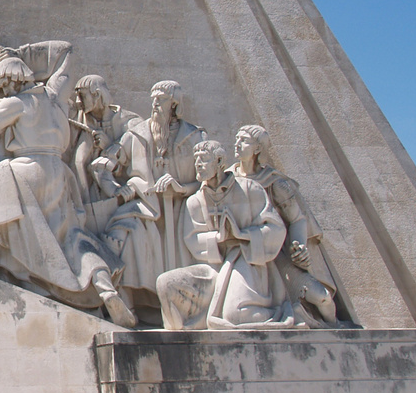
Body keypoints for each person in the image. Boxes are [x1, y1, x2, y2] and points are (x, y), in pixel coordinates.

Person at [0, 50, 138, 327]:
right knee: (72, 237)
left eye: (6, 83)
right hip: (59, 173)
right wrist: (22, 55)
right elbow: (67, 53)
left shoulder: (15, 103)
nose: (6, 89)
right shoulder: (55, 97)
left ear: (13, 80)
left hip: (26, 170)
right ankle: (105, 288)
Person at [92, 80, 207, 317]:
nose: (155, 104)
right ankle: (126, 305)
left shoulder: (195, 137)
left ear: (174, 104)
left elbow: (209, 180)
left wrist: (182, 188)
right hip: (145, 208)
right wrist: (115, 188)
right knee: (125, 233)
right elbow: (103, 166)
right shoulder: (137, 135)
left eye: (161, 99)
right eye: (153, 98)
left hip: (183, 211)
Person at [157, 139, 292, 329]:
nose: (198, 165)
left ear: (219, 162)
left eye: (203, 160)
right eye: (196, 160)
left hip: (247, 261)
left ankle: (276, 313)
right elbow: (193, 240)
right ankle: (183, 338)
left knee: (235, 316)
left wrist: (242, 235)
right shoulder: (195, 202)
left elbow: (276, 230)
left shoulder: (249, 190)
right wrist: (219, 238)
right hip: (215, 267)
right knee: (166, 284)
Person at [234, 124, 341, 325]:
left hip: (275, 255)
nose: (237, 144)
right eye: (237, 139)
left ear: (257, 149)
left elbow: (297, 219)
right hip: (243, 251)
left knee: (322, 297)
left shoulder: (274, 182)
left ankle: (335, 327)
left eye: (243, 140)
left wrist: (298, 247)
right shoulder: (229, 179)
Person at [68, 74, 137, 211]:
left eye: (82, 96)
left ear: (97, 95)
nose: (78, 101)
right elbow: (77, 162)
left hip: (122, 194)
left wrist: (109, 145)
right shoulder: (80, 119)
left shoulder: (128, 122)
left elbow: (139, 163)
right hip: (90, 199)